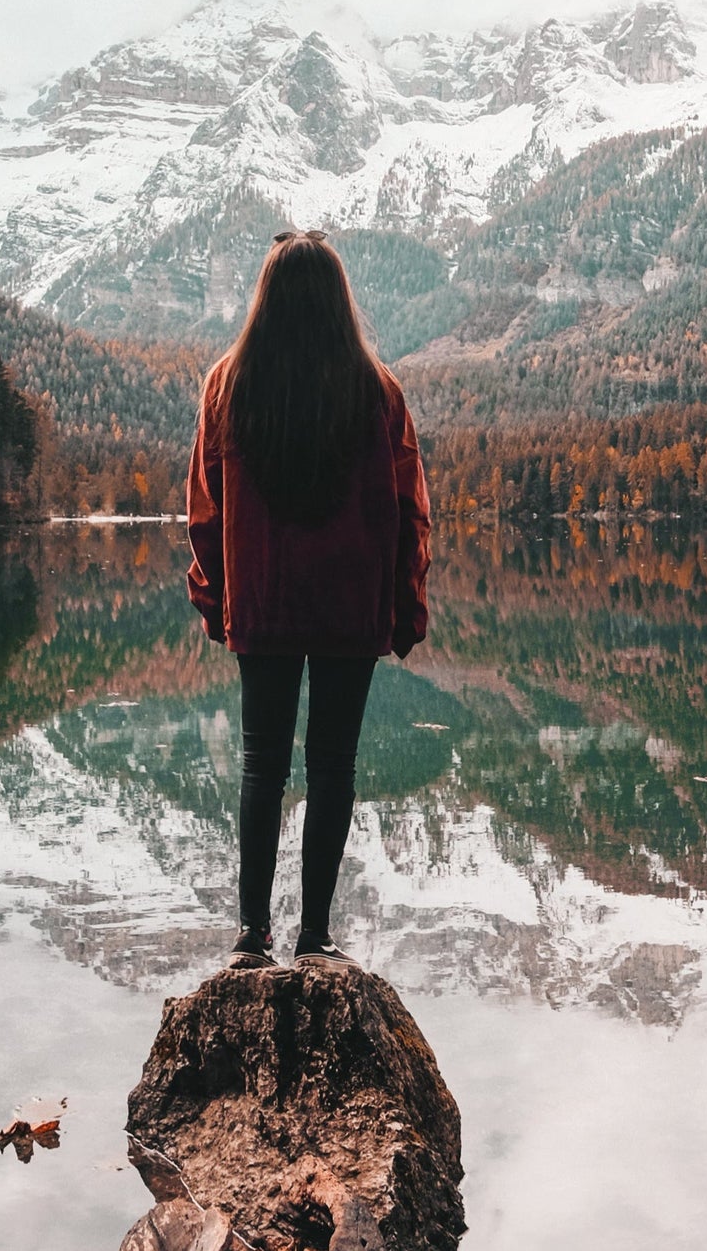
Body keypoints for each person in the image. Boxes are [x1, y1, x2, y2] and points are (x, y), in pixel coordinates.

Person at [185, 228, 431, 972]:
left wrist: (216, 597)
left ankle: (251, 935)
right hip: (348, 610)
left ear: (265, 300)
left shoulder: (228, 382)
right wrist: (404, 608)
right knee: (332, 766)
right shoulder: (377, 391)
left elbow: (205, 508)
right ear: (338, 301)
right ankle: (315, 936)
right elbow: (409, 510)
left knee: (261, 765)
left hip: (263, 602)